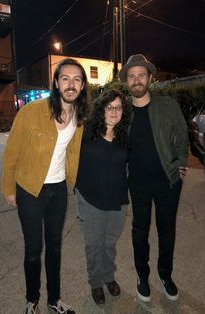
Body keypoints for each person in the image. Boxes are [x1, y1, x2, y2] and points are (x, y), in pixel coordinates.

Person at [1, 58, 90, 314]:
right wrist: (8, 187)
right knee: (33, 249)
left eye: (76, 79)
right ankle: (32, 299)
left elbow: (74, 152)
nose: (71, 84)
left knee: (54, 246)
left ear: (83, 85)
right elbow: (12, 151)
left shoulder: (79, 116)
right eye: (65, 78)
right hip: (30, 189)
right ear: (56, 82)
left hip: (58, 190)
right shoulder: (32, 111)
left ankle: (54, 299)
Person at [119, 54, 189, 302]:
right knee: (139, 231)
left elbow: (182, 137)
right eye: (131, 76)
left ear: (150, 78)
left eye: (141, 75)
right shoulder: (121, 111)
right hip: (137, 183)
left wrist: (180, 166)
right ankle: (142, 276)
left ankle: (165, 274)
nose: (136, 80)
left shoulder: (168, 105)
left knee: (166, 230)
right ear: (127, 81)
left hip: (168, 182)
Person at [75, 89, 131, 305]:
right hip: (90, 198)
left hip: (117, 199)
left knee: (109, 243)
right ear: (101, 108)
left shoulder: (124, 134)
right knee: (94, 244)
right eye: (110, 107)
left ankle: (109, 277)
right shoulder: (86, 131)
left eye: (118, 107)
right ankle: (96, 282)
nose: (114, 111)